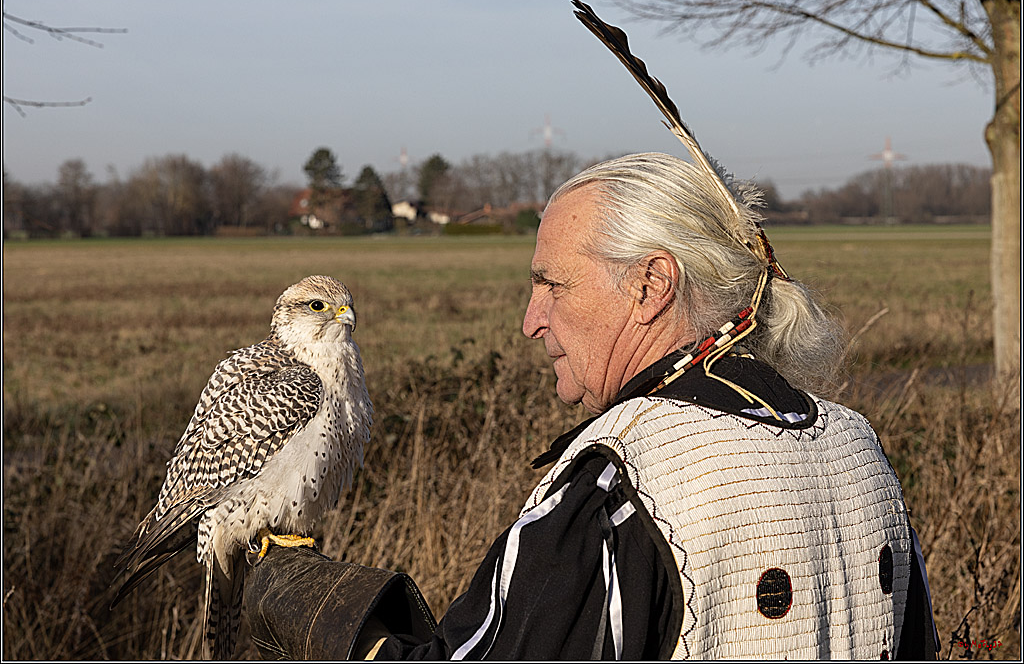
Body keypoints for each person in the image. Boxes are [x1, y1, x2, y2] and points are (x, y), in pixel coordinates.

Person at [244, 152, 939, 660]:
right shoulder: (858, 447)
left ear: (651, 285)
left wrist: (336, 621)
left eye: (552, 284)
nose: (530, 319)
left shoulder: (619, 483)